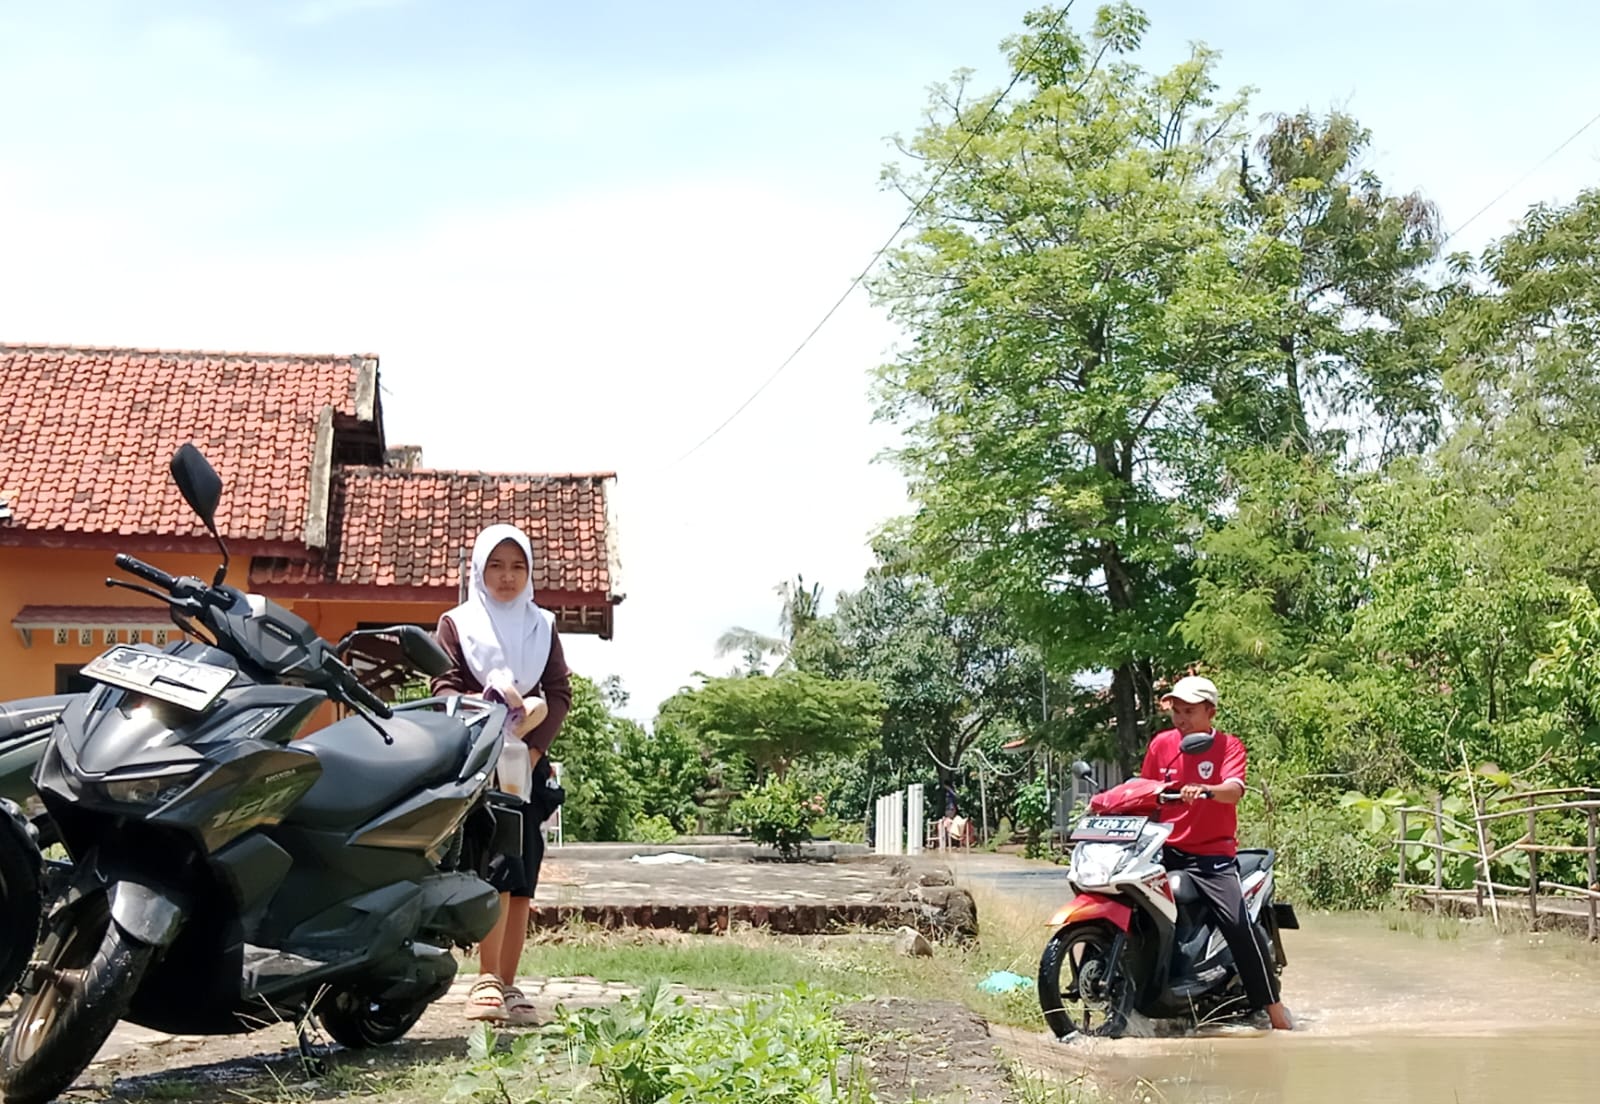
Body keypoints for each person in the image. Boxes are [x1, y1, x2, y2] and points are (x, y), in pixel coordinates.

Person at [432, 523, 572, 1025]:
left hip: (526, 770)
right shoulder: (457, 624)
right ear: (478, 569)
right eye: (496, 565)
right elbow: (444, 686)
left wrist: (532, 752)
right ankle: (485, 979)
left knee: (523, 873)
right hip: (478, 768)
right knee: (490, 869)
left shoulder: (543, 627)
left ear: (529, 572)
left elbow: (558, 693)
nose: (507, 576)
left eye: (518, 566)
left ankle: (510, 985)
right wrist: (486, 704)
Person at [1140, 675, 1294, 1032]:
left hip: (1212, 857)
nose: (1180, 719)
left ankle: (1274, 1010)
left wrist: (1207, 791)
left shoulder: (1229, 747)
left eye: (1189, 711)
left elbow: (1233, 790)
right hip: (1164, 850)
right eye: (1176, 711)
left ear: (1211, 711)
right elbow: (1145, 791)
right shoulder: (1161, 745)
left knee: (1238, 924)